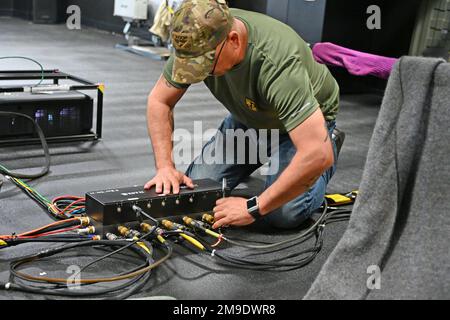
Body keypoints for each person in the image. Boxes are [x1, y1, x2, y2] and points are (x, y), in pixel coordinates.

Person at [144, 0, 345, 230]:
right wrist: (165, 167)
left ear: (234, 40)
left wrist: (253, 207)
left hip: (300, 126)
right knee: (199, 195)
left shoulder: (278, 63)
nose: (197, 74)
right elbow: (159, 101)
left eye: (205, 66)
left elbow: (315, 153)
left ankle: (330, 143)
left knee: (283, 213)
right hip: (249, 118)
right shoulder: (196, 38)